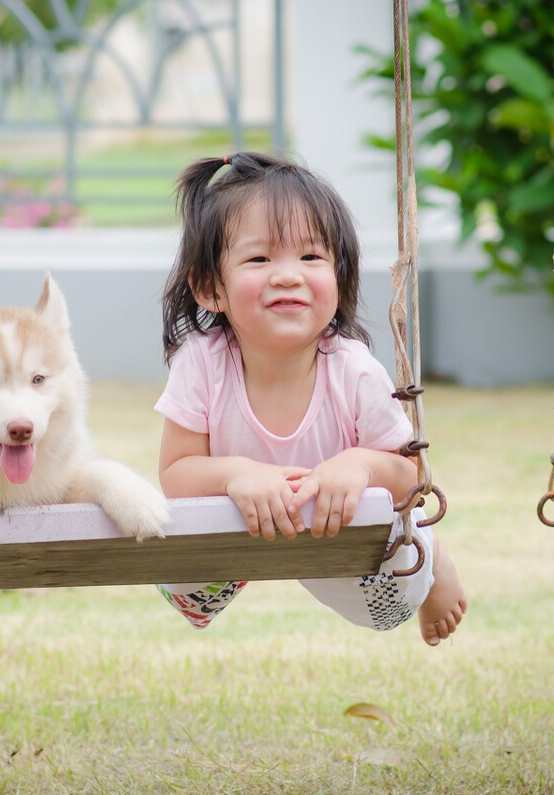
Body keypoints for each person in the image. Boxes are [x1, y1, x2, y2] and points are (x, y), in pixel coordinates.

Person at [154, 152, 467, 645]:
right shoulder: (201, 362)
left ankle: (431, 558)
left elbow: (413, 475)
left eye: (311, 257)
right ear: (211, 287)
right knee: (183, 591)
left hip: (335, 532)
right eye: (259, 258)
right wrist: (238, 475)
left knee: (389, 607)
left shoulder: (354, 368)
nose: (287, 275)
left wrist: (361, 464)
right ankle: (252, 557)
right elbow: (175, 476)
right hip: (239, 524)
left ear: (338, 280)